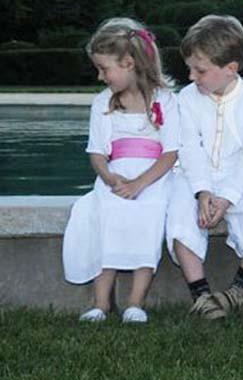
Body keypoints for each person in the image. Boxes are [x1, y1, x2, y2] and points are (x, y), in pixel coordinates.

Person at [62, 18, 179, 324]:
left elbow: (170, 153)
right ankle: (101, 303)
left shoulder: (165, 100)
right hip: (115, 177)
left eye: (104, 69)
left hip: (153, 178)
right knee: (102, 211)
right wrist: (110, 178)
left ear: (128, 63)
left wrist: (141, 184)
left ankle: (135, 303)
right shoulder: (103, 102)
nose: (101, 76)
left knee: (150, 213)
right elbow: (97, 153)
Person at [165, 15, 243, 320]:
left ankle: (238, 290)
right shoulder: (186, 99)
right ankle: (200, 294)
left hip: (240, 177)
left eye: (199, 70)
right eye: (190, 68)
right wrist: (202, 193)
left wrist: (226, 197)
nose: (191, 76)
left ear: (230, 69)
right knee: (178, 210)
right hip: (193, 177)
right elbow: (189, 149)